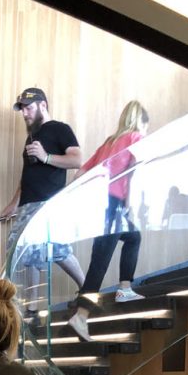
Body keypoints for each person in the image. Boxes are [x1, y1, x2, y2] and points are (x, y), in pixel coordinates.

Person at [67, 101, 150, 341]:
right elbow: (133, 171)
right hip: (115, 204)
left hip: (100, 205)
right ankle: (81, 314)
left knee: (133, 237)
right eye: (146, 126)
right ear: (140, 122)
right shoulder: (135, 137)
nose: (146, 132)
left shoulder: (109, 142)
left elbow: (80, 173)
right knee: (100, 263)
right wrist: (129, 203)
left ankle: (125, 288)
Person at [0, 87, 84, 316]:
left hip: (49, 203)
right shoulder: (32, 137)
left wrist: (46, 156)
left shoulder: (60, 129)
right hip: (29, 204)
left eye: (28, 107)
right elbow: (27, 174)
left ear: (43, 105)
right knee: (31, 252)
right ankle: (33, 307)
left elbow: (77, 159)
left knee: (51, 249)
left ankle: (87, 288)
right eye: (22, 109)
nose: (25, 113)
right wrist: (14, 202)